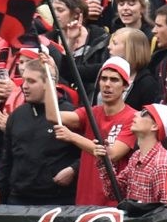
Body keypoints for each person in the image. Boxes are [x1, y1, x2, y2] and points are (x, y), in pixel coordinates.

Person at [0, 57, 80, 206]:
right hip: (18, 201)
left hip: (58, 202)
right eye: (24, 80)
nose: (24, 86)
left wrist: (73, 170)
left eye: (32, 81)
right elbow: (6, 162)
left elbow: (89, 153)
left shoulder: (70, 114)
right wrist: (0, 202)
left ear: (48, 84)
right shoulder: (17, 115)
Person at [55, 56, 137, 206]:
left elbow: (111, 154)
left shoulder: (132, 117)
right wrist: (48, 76)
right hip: (85, 199)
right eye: (103, 79)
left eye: (114, 80)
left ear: (125, 85)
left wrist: (72, 137)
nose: (107, 84)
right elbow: (53, 115)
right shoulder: (91, 112)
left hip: (112, 202)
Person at [50, 0, 110, 94]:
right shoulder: (49, 40)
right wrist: (70, 42)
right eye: (53, 10)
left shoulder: (99, 38)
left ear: (76, 13)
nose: (55, 15)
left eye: (60, 10)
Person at [117, 103, 167, 205]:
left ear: (154, 126)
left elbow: (165, 213)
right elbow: (114, 191)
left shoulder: (162, 164)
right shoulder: (136, 156)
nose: (136, 114)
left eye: (144, 113)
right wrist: (104, 160)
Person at [108, 27, 162, 109]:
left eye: (115, 43)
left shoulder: (147, 84)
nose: (109, 47)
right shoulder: (106, 72)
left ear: (131, 49)